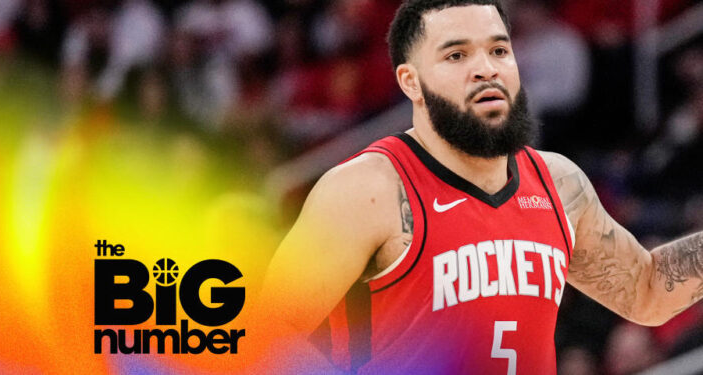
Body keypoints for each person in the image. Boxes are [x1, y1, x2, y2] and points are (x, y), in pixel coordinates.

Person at [257, 1, 703, 374]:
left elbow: (645, 290)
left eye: (499, 50)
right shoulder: (369, 189)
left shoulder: (558, 183)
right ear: (411, 81)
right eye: (457, 55)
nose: (485, 69)